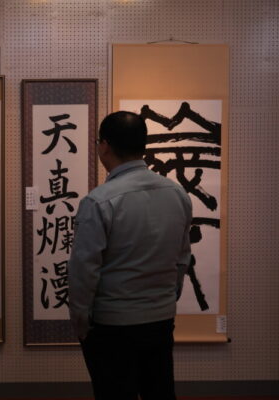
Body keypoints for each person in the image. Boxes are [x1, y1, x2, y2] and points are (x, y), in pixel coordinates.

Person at [68, 111, 192, 400]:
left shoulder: (99, 201)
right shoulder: (177, 194)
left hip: (112, 324)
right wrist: (165, 299)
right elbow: (182, 258)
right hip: (160, 318)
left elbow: (84, 270)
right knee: (159, 393)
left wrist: (81, 322)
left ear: (104, 146)